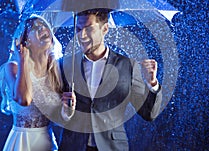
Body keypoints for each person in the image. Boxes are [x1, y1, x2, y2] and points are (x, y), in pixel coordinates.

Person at [59, 9, 162, 151]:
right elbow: (53, 110)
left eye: (88, 29)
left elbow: (149, 114)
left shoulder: (127, 66)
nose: (81, 35)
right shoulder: (65, 64)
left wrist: (152, 84)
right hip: (73, 146)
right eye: (78, 28)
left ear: (105, 29)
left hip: (112, 147)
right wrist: (65, 112)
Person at [0, 14, 75, 151]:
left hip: (48, 142)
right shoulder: (13, 67)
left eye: (45, 26)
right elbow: (24, 100)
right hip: (23, 142)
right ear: (26, 41)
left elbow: (60, 120)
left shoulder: (55, 69)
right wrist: (23, 61)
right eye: (36, 27)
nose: (43, 28)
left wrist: (69, 109)